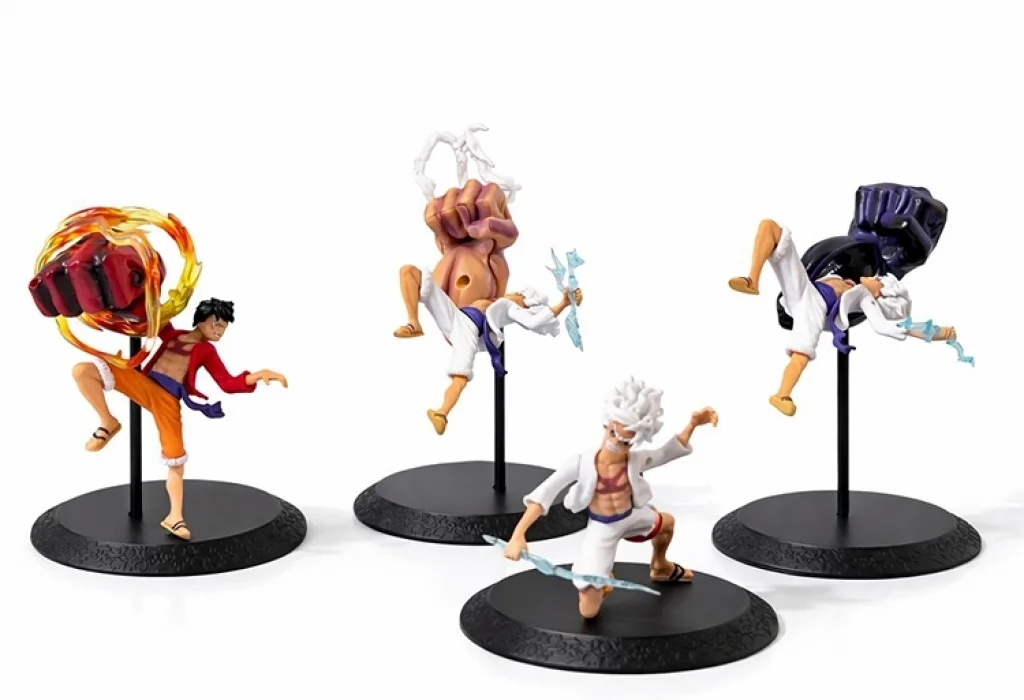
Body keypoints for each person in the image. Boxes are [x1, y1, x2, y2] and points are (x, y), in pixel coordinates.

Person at [71, 298, 288, 540]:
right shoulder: (174, 334)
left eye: (223, 327)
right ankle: (108, 421)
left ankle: (174, 517)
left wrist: (257, 375)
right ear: (202, 320)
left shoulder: (207, 350)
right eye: (216, 324)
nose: (219, 331)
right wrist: (135, 293)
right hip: (144, 384)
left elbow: (228, 383)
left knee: (175, 458)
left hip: (167, 400)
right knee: (83, 370)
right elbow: (153, 314)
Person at [503, 377, 718, 619]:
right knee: (588, 611)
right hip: (601, 527)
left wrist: (693, 425)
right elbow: (542, 496)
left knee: (666, 523)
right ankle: (602, 582)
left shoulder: (634, 460)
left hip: (630, 516)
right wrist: (518, 535)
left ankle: (660, 566)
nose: (616, 443)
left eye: (625, 441)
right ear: (607, 424)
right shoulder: (582, 463)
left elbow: (665, 453)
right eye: (613, 433)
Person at [728, 219, 956, 417]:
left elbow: (887, 327)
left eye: (881, 283)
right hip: (805, 289)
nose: (878, 279)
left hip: (816, 308)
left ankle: (782, 395)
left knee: (801, 354)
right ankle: (752, 279)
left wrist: (938, 332)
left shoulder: (864, 297)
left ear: (880, 295)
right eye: (881, 278)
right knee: (771, 227)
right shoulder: (844, 274)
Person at [392, 264, 583, 435]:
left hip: (468, 332)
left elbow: (534, 321)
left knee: (460, 375)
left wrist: (563, 303)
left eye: (522, 295)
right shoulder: (497, 299)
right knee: (410, 272)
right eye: (520, 292)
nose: (517, 293)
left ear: (527, 302)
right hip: (456, 316)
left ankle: (441, 413)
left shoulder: (510, 308)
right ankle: (414, 323)